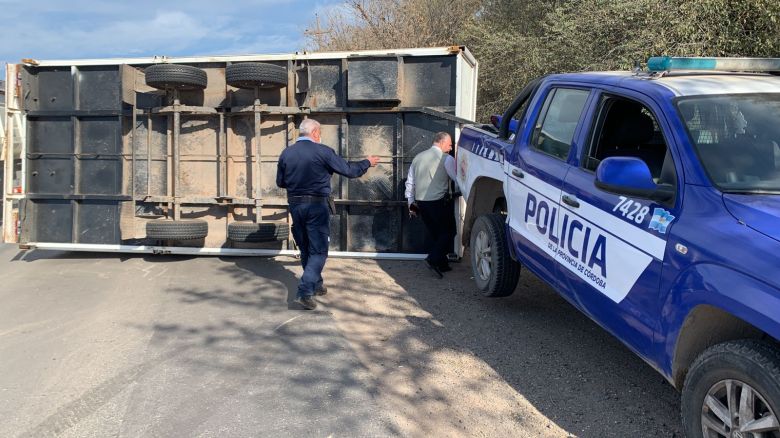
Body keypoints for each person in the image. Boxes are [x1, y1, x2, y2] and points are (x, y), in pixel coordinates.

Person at [277, 118, 379, 310]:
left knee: (306, 246)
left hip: (295, 205)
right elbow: (349, 170)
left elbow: (280, 182)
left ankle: (316, 284)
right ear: (315, 133)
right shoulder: (323, 151)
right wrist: (367, 162)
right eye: (320, 132)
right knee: (319, 250)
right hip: (316, 206)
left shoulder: (286, 153)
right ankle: (305, 291)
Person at [404, 132, 457, 278]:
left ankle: (442, 264)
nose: (451, 147)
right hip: (439, 201)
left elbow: (410, 183)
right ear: (441, 142)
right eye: (450, 144)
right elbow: (457, 178)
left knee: (436, 234)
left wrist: (411, 204)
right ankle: (432, 259)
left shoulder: (417, 158)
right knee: (449, 232)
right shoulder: (447, 159)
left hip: (421, 203)